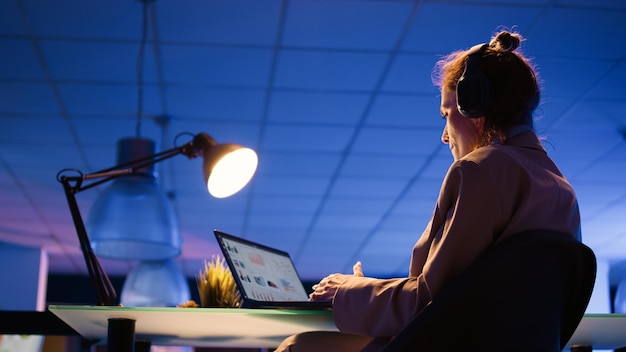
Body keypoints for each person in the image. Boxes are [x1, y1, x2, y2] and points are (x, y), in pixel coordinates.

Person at [275, 29, 581, 352]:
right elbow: (464, 293)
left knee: (297, 346)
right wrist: (368, 288)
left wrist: (347, 291)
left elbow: (428, 304)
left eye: (447, 115)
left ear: (474, 107)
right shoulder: (562, 192)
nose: (444, 136)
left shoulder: (478, 172)